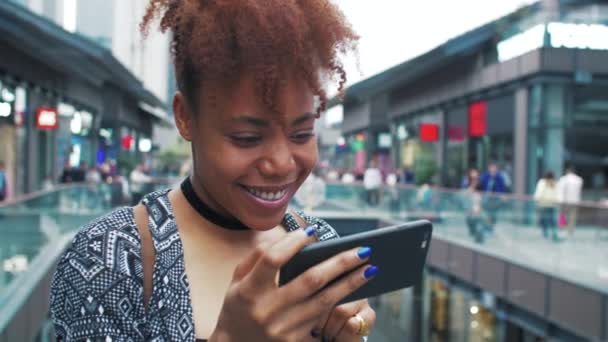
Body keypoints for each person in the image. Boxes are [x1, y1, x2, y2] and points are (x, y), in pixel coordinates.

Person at [50, 2, 376, 341]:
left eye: (302, 134)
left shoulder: (320, 246)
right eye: (247, 138)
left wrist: (352, 335)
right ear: (185, 117)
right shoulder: (110, 257)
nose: (282, 163)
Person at [462, 168, 488, 243]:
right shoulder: (466, 193)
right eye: (473, 178)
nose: (475, 181)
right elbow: (466, 208)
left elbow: (483, 207)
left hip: (481, 220)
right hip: (472, 220)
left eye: (477, 178)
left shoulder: (481, 192)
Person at [479, 163, 507, 230]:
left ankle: (490, 227)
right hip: (486, 198)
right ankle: (487, 226)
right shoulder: (484, 177)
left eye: (494, 170)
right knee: (486, 213)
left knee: (493, 214)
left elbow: (502, 188)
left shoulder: (500, 178)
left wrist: (503, 196)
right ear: (489, 169)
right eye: (491, 170)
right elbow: (480, 187)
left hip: (496, 199)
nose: (493, 171)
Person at [557, 166, 583, 237]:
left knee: (563, 215)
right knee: (572, 217)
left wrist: (560, 201)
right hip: (575, 201)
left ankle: (563, 229)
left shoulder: (563, 179)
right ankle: (570, 230)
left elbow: (561, 191)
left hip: (565, 201)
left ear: (567, 171)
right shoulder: (579, 180)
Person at [534, 171, 560, 241]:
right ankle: (554, 234)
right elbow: (558, 194)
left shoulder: (542, 182)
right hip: (552, 203)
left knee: (544, 219)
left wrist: (536, 200)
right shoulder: (555, 183)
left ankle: (545, 234)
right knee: (552, 220)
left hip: (544, 203)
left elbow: (539, 192)